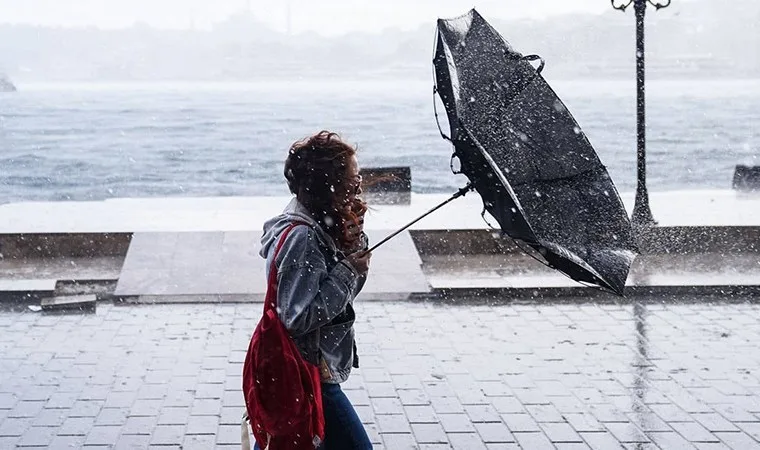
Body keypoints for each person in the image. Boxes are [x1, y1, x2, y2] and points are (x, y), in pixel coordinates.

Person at [255, 130, 373, 449]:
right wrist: (348, 270)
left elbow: (343, 297)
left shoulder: (320, 224)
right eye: (353, 177)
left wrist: (353, 242)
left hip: (305, 371)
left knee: (284, 440)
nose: (359, 184)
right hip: (308, 371)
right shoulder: (303, 238)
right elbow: (298, 316)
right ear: (328, 186)